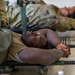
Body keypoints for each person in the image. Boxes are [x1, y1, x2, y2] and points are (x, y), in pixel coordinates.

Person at [7, 0, 75, 32]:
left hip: (8, 18)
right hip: (9, 8)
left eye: (68, 9)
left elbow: (70, 23)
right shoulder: (51, 8)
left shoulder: (55, 19)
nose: (65, 7)